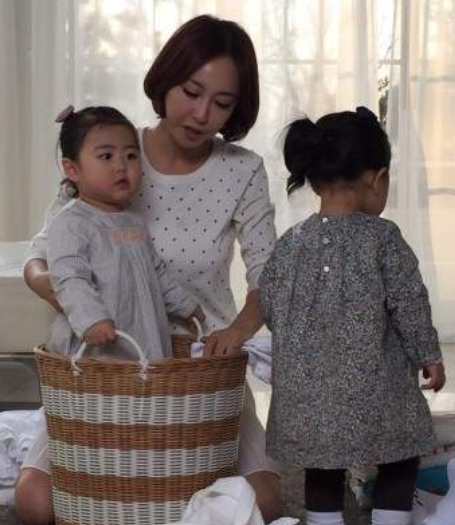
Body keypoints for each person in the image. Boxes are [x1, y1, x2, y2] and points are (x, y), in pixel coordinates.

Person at [16, 15, 281, 525]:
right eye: (191, 92)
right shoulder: (107, 148)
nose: (201, 114)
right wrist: (67, 292)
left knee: (261, 501)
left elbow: (267, 271)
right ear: (166, 80)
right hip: (104, 371)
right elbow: (42, 254)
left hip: (200, 370)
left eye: (222, 103)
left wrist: (238, 330)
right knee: (38, 503)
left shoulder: (242, 169)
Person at [259, 107, 446, 525]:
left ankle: (323, 520)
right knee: (400, 455)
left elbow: (270, 306)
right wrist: (428, 355)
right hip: (375, 391)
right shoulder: (383, 238)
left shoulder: (290, 243)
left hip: (307, 398)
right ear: (377, 179)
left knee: (321, 466)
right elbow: (410, 302)